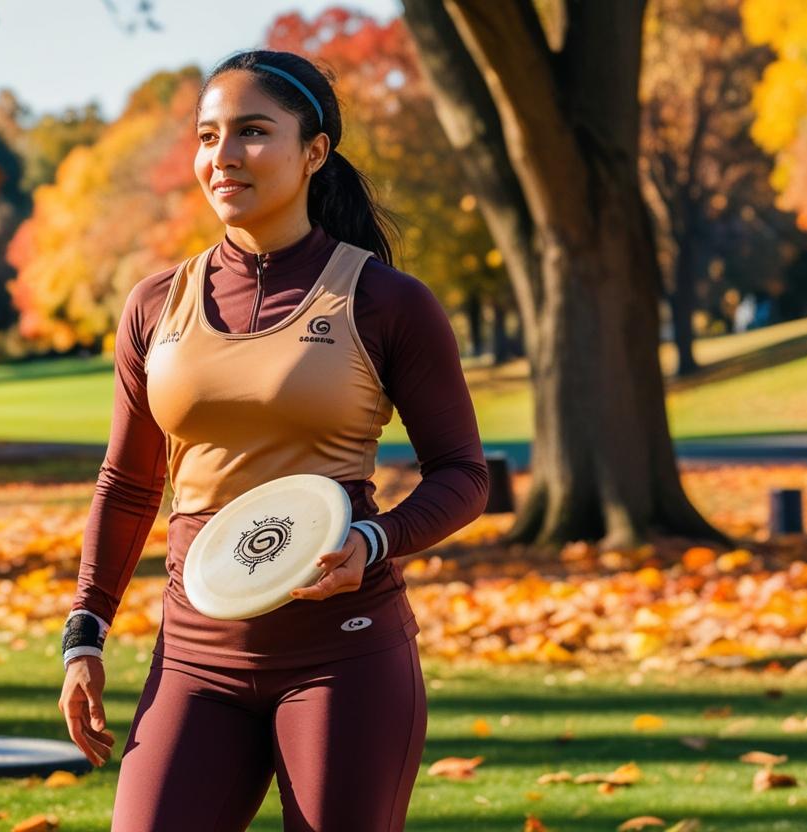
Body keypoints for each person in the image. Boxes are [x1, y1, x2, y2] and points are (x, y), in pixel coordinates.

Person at [56, 49, 490, 831]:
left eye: (253, 132)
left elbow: (463, 473)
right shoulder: (157, 304)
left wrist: (375, 539)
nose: (224, 157)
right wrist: (85, 630)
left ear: (314, 152)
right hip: (194, 654)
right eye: (208, 135)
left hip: (344, 654)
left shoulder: (386, 301)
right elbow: (127, 483)